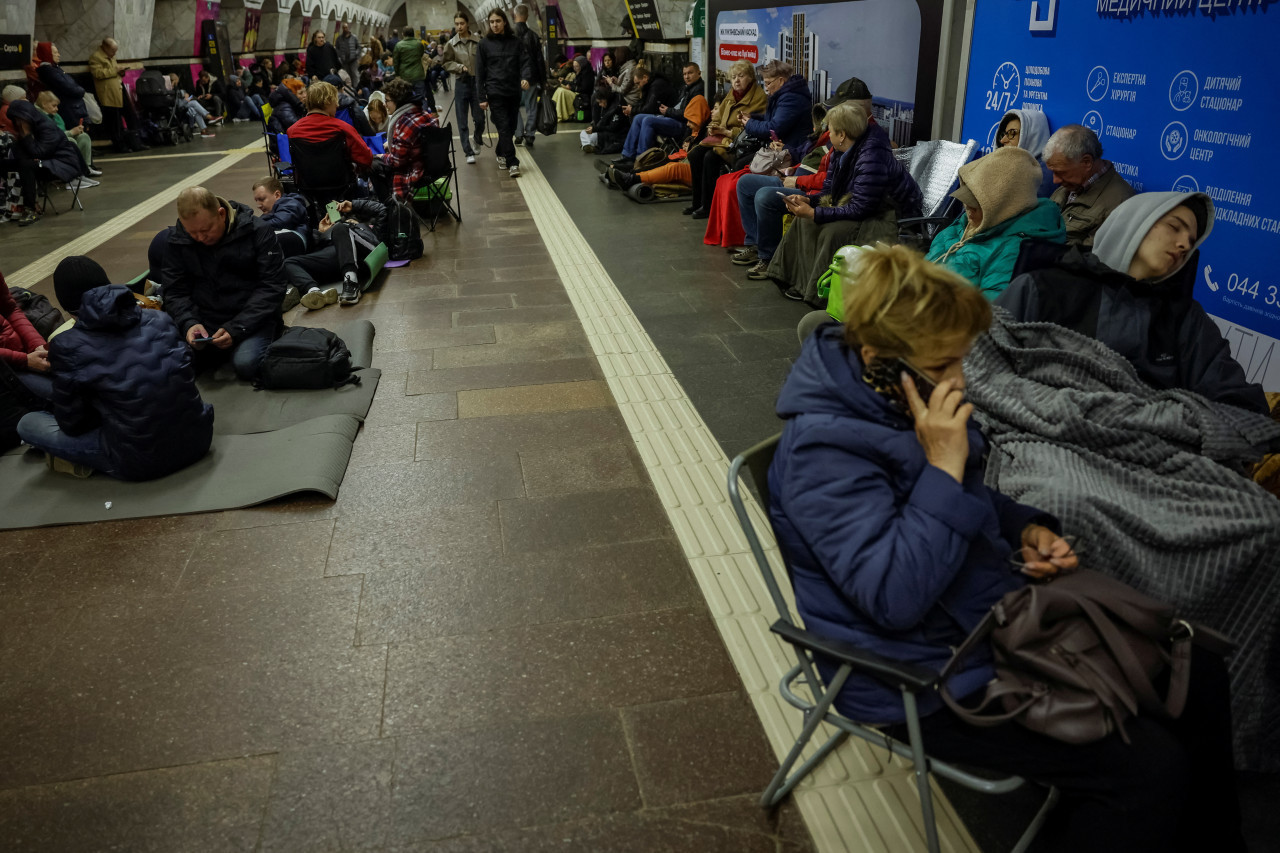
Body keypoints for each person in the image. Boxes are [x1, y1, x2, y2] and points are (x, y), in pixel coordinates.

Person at [769, 243, 1247, 853]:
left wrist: (1024, 525)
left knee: (1195, 668)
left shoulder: (900, 405)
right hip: (916, 675)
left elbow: (964, 500)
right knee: (1145, 770)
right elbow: (893, 597)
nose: (960, 382)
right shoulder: (823, 452)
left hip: (982, 618)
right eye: (943, 365)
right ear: (878, 360)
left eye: (961, 361)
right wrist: (945, 466)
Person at [997, 191, 1267, 414]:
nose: (1185, 244)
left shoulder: (1185, 318)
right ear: (1132, 222)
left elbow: (1239, 402)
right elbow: (981, 361)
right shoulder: (1042, 288)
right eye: (1175, 227)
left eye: (1191, 241)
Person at [17, 267, 213, 481]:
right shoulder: (158, 318)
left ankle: (83, 460)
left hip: (139, 461)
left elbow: (74, 425)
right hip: (199, 439)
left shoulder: (66, 345)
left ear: (67, 308)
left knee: (28, 424)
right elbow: (184, 371)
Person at [764, 102, 922, 302]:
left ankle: (818, 293)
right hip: (861, 208)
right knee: (803, 221)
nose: (827, 135)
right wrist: (808, 200)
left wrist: (815, 213)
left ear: (842, 135)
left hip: (886, 216)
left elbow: (862, 208)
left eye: (830, 131)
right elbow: (830, 191)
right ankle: (792, 280)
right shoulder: (841, 152)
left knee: (832, 232)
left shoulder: (872, 157)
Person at [160, 186, 287, 381]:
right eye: (193, 233)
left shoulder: (257, 231)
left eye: (205, 230)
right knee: (169, 364)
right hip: (205, 320)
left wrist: (238, 327)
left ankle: (264, 340)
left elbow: (272, 286)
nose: (200, 238)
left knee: (246, 364)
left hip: (251, 318)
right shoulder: (178, 241)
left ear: (221, 213)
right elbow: (175, 292)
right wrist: (189, 323)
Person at [923, 146, 1066, 298]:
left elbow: (991, 314)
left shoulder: (1012, 252)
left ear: (1005, 205)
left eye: (976, 203)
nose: (967, 208)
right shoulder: (961, 227)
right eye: (966, 199)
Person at [683, 60, 766, 218]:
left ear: (750, 78)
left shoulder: (758, 97)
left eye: (741, 76)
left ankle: (709, 207)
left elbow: (752, 128)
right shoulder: (731, 94)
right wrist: (713, 127)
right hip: (721, 138)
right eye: (734, 77)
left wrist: (727, 132)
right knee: (694, 154)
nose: (736, 81)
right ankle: (697, 202)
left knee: (710, 157)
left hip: (739, 143)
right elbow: (718, 116)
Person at [1043, 124, 1135, 248]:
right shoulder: (1069, 185)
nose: (1055, 180)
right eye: (1053, 172)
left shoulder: (1119, 204)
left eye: (1061, 172)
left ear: (1086, 162)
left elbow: (1088, 260)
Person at [284, 197, 386, 308]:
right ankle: (314, 291)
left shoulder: (364, 227)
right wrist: (320, 233)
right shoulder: (334, 230)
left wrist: (353, 205)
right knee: (289, 262)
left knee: (340, 228)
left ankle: (351, 284)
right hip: (336, 255)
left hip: (364, 251)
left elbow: (381, 210)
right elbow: (316, 249)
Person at [5, 97, 90, 220]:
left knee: (25, 166)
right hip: (44, 162)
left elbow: (38, 153)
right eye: (16, 120)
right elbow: (25, 154)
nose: (18, 123)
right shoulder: (28, 129)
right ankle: (9, 205)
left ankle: (31, 208)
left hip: (61, 164)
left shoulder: (46, 128)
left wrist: (26, 134)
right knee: (9, 164)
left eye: (20, 119)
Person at [476, 8, 534, 179]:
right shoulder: (484, 44)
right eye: (492, 22)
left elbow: (525, 63)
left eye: (498, 21)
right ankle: (512, 162)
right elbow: (480, 73)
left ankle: (500, 151)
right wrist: (481, 96)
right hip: (495, 92)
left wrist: (525, 77)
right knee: (503, 126)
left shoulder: (516, 42)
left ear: (505, 22)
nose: (494, 25)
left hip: (513, 92)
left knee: (509, 126)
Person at [374, 77, 440, 200]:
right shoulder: (425, 114)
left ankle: (390, 207)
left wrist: (381, 156)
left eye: (387, 100)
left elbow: (396, 162)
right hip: (437, 167)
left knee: (373, 164)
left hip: (416, 171)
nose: (385, 104)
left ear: (398, 101)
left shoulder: (403, 123)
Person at [609, 63, 675, 167]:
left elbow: (650, 108)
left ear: (645, 77)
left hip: (668, 116)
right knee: (638, 118)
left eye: (638, 83)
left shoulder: (657, 85)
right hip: (661, 115)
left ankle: (641, 158)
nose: (638, 86)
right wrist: (632, 109)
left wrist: (633, 110)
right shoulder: (650, 85)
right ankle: (628, 156)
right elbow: (645, 104)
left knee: (646, 119)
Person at [440, 12, 484, 165]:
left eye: (462, 23)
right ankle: (468, 151)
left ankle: (477, 138)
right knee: (462, 118)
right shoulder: (451, 44)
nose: (459, 26)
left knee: (479, 118)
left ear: (467, 24)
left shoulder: (478, 42)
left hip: (477, 83)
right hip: (461, 82)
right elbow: (446, 63)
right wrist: (459, 67)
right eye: (456, 23)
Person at [0, 279, 51, 401]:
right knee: (59, 394)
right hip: (6, 369)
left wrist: (37, 345)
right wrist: (24, 360)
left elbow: (10, 309)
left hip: (23, 354)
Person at [34, 92, 100, 183]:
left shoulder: (54, 115)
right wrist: (71, 132)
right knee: (70, 141)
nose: (56, 109)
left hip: (57, 139)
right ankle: (73, 173)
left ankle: (85, 168)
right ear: (44, 104)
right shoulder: (40, 117)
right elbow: (51, 137)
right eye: (54, 106)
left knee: (83, 137)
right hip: (48, 145)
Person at [995, 108, 1055, 197]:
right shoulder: (1009, 165)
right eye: (1004, 134)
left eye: (1012, 133)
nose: (1003, 140)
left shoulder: (1042, 174)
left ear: (1032, 136)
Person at [31, 43, 88, 131]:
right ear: (48, 54)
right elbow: (69, 87)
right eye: (55, 53)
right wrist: (82, 90)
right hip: (69, 110)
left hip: (74, 109)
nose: (59, 55)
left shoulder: (55, 68)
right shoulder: (48, 71)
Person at [251, 175, 310, 258]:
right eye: (256, 200)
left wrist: (255, 224)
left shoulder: (291, 202)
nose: (259, 205)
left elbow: (282, 222)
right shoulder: (270, 212)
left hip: (297, 238)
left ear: (277, 195)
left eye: (262, 199)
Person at [512, 4, 546, 149]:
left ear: (514, 16)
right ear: (526, 17)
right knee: (531, 107)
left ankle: (518, 133)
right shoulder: (533, 36)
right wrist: (543, 80)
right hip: (531, 78)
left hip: (513, 78)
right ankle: (530, 135)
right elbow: (539, 60)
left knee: (514, 106)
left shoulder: (510, 35)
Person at [88, 38, 128, 152]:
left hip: (118, 89)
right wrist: (115, 70)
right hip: (108, 93)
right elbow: (98, 73)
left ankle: (132, 141)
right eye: (112, 50)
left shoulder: (112, 57)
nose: (114, 53)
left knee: (126, 116)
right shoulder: (96, 57)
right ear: (105, 47)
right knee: (114, 120)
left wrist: (121, 72)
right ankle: (119, 144)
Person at [579, 85, 627, 154]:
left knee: (591, 136)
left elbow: (613, 128)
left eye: (600, 102)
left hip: (614, 136)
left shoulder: (617, 107)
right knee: (583, 132)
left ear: (605, 99)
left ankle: (587, 144)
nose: (600, 104)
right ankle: (588, 145)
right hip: (604, 132)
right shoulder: (605, 107)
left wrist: (595, 129)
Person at [554, 55, 593, 122]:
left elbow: (584, 88)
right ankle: (555, 112)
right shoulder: (580, 72)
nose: (575, 68)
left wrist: (571, 88)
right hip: (577, 93)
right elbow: (574, 83)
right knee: (559, 90)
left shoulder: (587, 75)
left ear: (582, 65)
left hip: (582, 96)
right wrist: (564, 82)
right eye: (574, 66)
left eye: (577, 66)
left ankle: (560, 114)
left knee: (562, 92)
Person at [392, 27, 425, 95]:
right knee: (421, 97)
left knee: (407, 98)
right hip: (418, 74)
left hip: (405, 76)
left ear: (403, 34)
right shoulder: (419, 44)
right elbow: (421, 54)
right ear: (413, 34)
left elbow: (396, 62)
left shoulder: (398, 45)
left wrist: (397, 74)